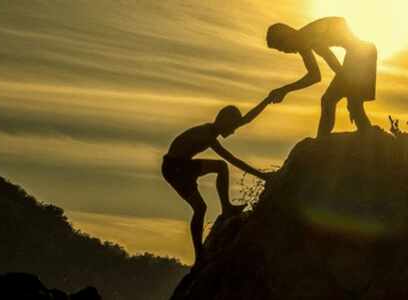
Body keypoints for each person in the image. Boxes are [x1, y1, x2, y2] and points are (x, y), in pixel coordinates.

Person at [162, 97, 273, 264]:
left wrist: (267, 101)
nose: (234, 131)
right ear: (224, 121)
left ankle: (225, 209)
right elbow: (232, 159)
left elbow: (246, 119)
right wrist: (262, 175)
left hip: (181, 165)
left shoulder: (214, 130)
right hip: (175, 169)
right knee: (201, 207)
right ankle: (200, 253)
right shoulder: (207, 135)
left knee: (215, 177)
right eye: (232, 127)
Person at [265, 17, 378, 137]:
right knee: (352, 106)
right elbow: (332, 62)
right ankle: (367, 139)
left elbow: (314, 76)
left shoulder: (303, 39)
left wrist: (284, 89)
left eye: (281, 48)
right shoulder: (306, 37)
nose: (284, 51)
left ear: (286, 38)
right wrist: (348, 87)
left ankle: (321, 143)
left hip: (361, 55)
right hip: (364, 53)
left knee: (330, 101)